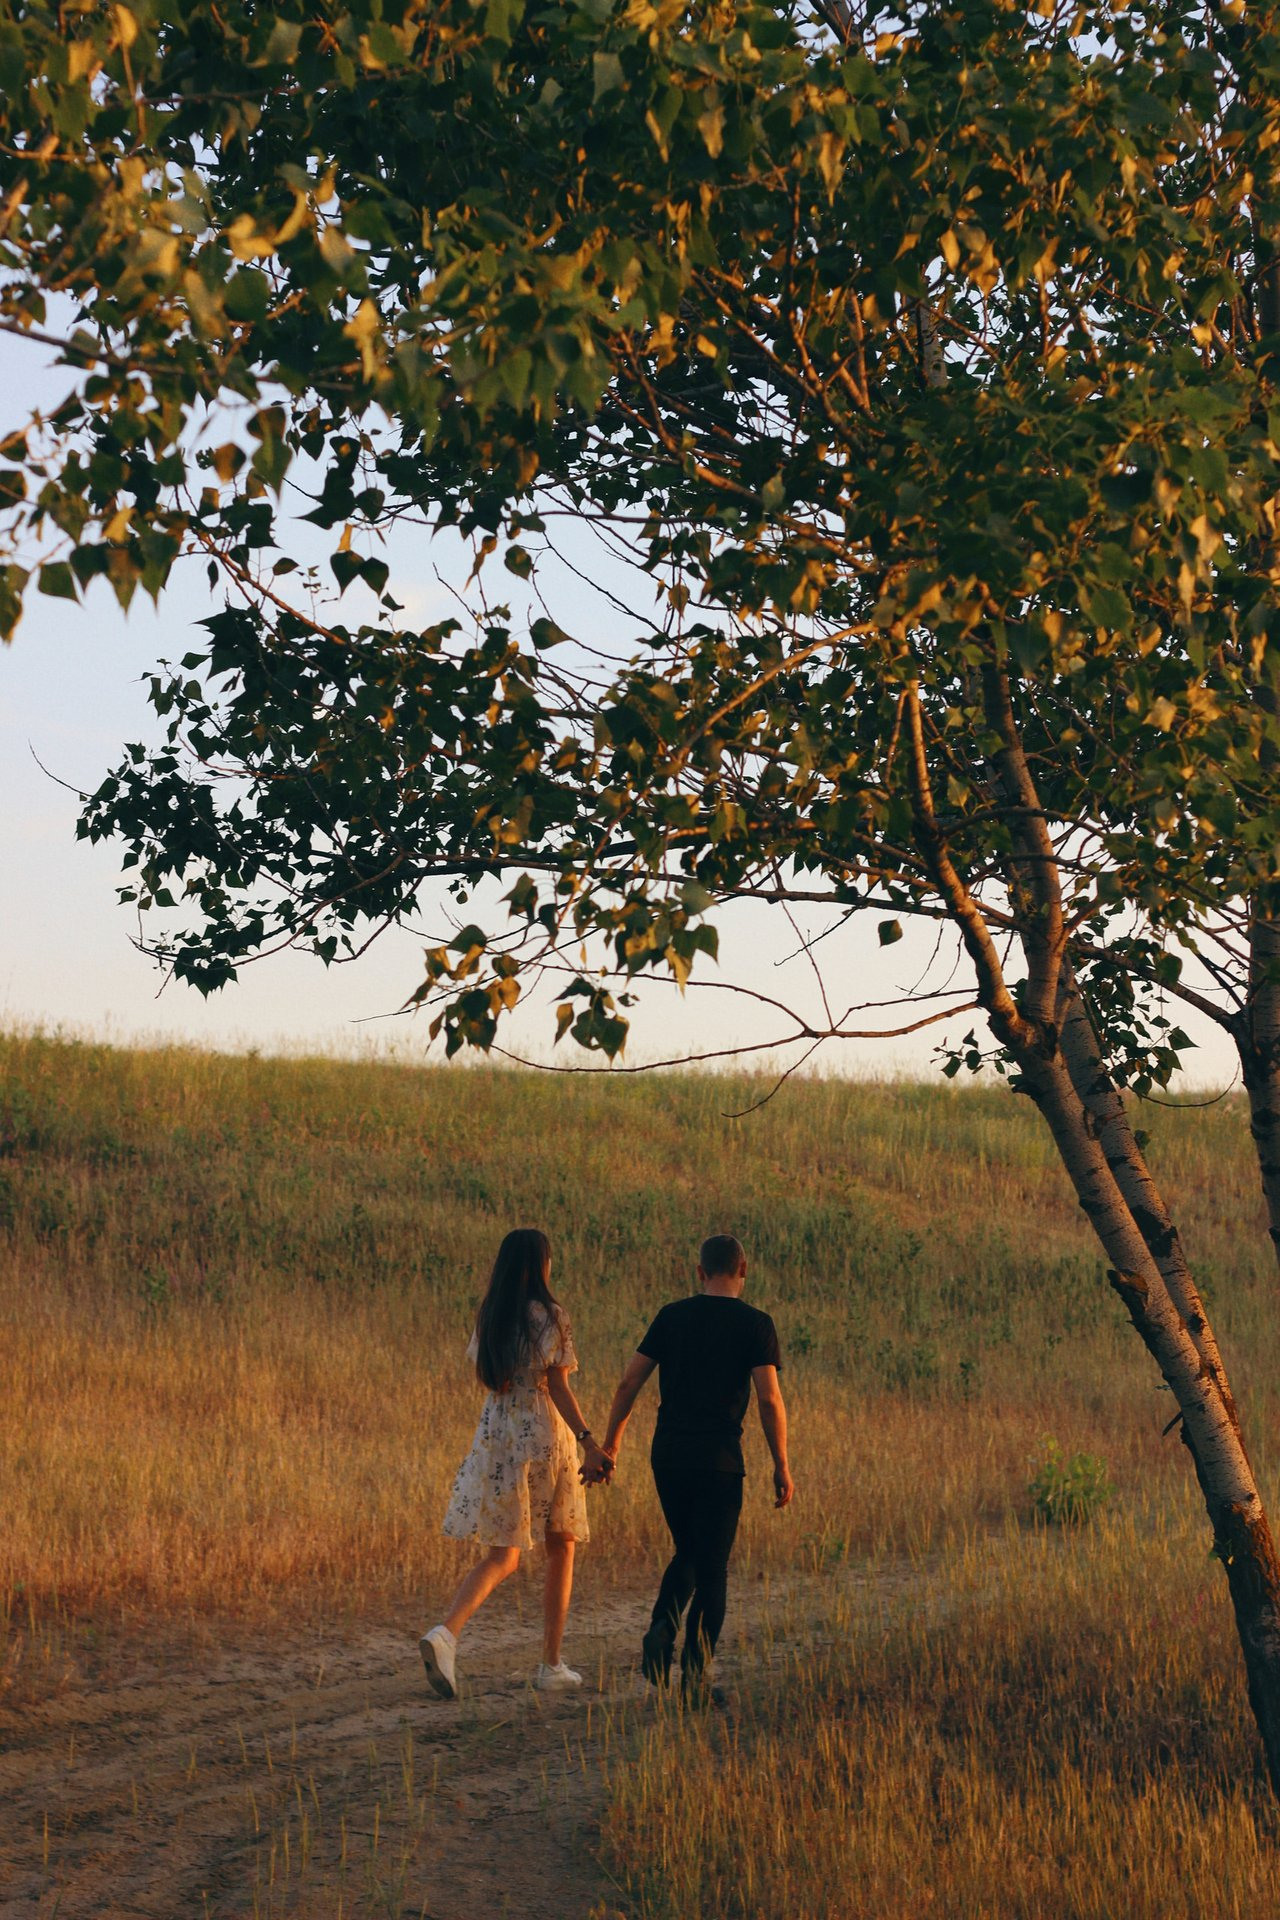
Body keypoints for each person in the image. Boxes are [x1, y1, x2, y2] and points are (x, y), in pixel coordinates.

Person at [595, 1232, 794, 1699]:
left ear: (700, 1272)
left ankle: (660, 1634)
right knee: (713, 1568)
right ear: (743, 1270)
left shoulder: (671, 1316)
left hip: (668, 1457)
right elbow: (768, 1398)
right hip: (720, 1461)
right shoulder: (756, 1324)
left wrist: (611, 1446)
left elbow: (628, 1383)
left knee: (689, 1550)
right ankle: (694, 1682)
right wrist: (781, 1463)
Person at [420, 1227, 613, 1699]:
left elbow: (490, 1378)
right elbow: (559, 1386)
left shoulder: (491, 1315)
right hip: (544, 1434)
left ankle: (445, 1635)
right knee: (561, 1545)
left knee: (502, 1554)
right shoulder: (551, 1316)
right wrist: (590, 1441)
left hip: (498, 1432)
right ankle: (551, 1665)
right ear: (541, 1264)